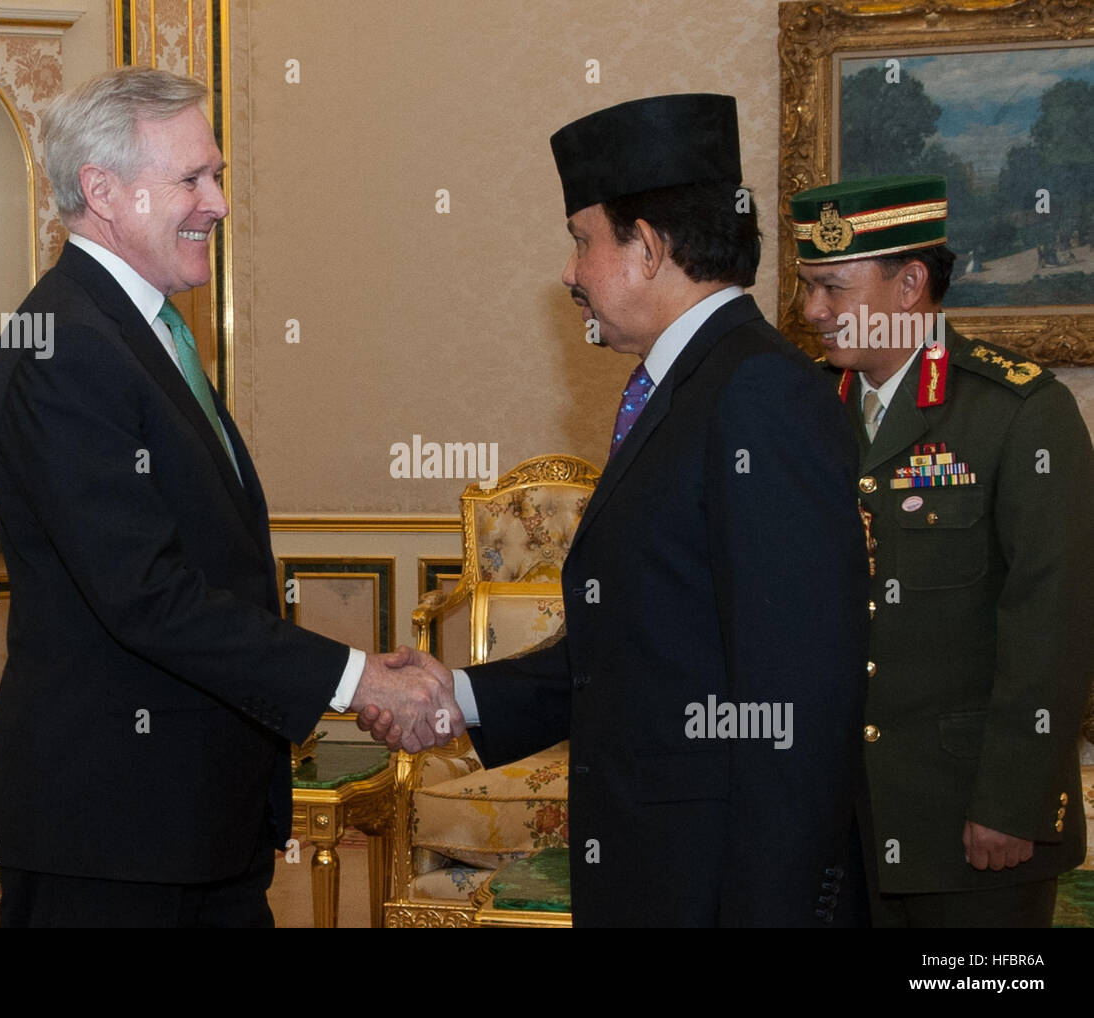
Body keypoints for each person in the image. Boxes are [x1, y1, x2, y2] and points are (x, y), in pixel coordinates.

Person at [363, 95, 871, 927]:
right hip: (658, 870)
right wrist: (458, 691)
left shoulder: (758, 393)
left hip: (721, 887)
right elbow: (638, 648)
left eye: (580, 238)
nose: (570, 272)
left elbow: (798, 697)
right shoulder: (688, 385)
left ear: (647, 246)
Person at [0, 69, 462, 928]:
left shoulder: (140, 331)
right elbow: (148, 598)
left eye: (219, 175)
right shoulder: (65, 350)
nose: (219, 203)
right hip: (115, 838)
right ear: (102, 192)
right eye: (193, 179)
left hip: (191, 823)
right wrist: (356, 681)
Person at [793, 174, 1094, 927]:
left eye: (832, 287)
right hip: (828, 824)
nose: (811, 312)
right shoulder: (798, 414)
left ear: (910, 285)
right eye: (805, 287)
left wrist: (1013, 801)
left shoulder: (1020, 413)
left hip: (970, 827)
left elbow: (1052, 625)